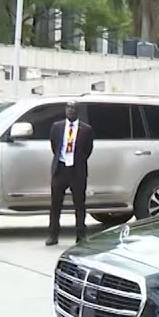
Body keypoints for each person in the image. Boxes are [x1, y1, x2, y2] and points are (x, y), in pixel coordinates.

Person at [46, 101, 94, 246]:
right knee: (55, 204)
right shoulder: (57, 127)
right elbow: (54, 146)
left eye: (73, 108)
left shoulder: (86, 129)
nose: (70, 110)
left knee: (79, 204)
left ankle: (80, 235)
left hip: (77, 170)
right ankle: (53, 235)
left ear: (78, 111)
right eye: (68, 107)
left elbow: (87, 150)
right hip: (60, 169)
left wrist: (76, 160)